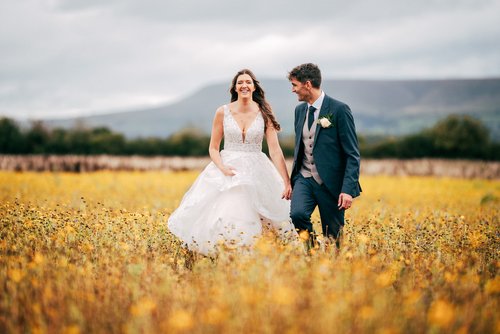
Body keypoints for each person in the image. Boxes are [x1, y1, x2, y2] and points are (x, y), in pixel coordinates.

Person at [168, 69, 297, 255]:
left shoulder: (264, 113)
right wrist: (222, 167)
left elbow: (275, 150)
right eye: (240, 82)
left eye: (248, 82)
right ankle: (228, 255)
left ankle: (258, 257)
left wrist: (286, 181)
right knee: (229, 214)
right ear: (235, 88)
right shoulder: (222, 112)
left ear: (254, 87)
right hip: (229, 169)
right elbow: (213, 147)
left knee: (267, 218)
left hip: (258, 170)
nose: (244, 85)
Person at [288, 63, 361, 249]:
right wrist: (292, 181)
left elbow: (352, 154)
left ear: (307, 84)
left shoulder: (339, 110)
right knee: (297, 215)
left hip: (331, 184)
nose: (293, 90)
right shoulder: (299, 111)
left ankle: (332, 265)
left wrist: (347, 189)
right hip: (304, 178)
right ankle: (311, 252)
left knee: (334, 238)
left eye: (295, 85)